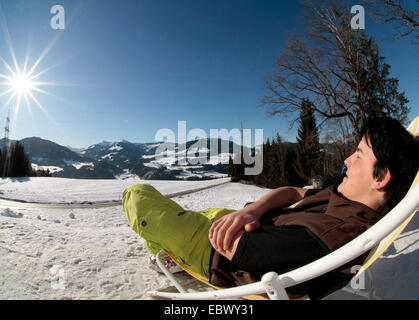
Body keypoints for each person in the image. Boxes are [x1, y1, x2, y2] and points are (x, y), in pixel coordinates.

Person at [122, 117, 418, 299]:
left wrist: (246, 217)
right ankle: (167, 247)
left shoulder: (333, 235)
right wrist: (252, 210)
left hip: (210, 251)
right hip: (233, 221)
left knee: (137, 195)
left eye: (358, 155)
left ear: (381, 178)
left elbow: (234, 248)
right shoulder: (344, 195)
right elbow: (292, 191)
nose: (347, 161)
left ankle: (171, 252)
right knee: (175, 214)